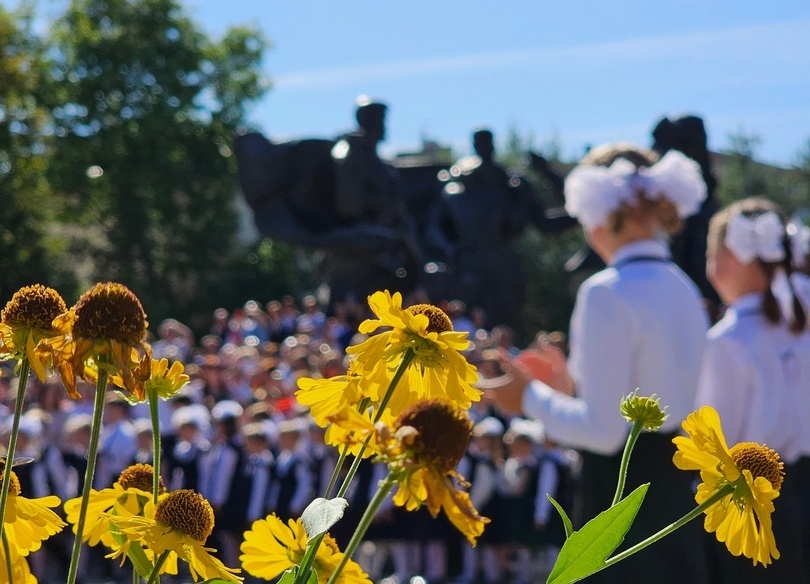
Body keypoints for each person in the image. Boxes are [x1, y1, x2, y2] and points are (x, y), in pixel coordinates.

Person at [486, 142, 711, 583]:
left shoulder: (605, 291)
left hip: (622, 493)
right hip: (678, 486)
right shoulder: (684, 287)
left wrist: (528, 395)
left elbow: (605, 434)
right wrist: (564, 386)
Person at [696, 197, 810, 583]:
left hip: (749, 502)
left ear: (728, 258)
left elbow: (713, 440)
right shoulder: (801, 324)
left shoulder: (728, 339)